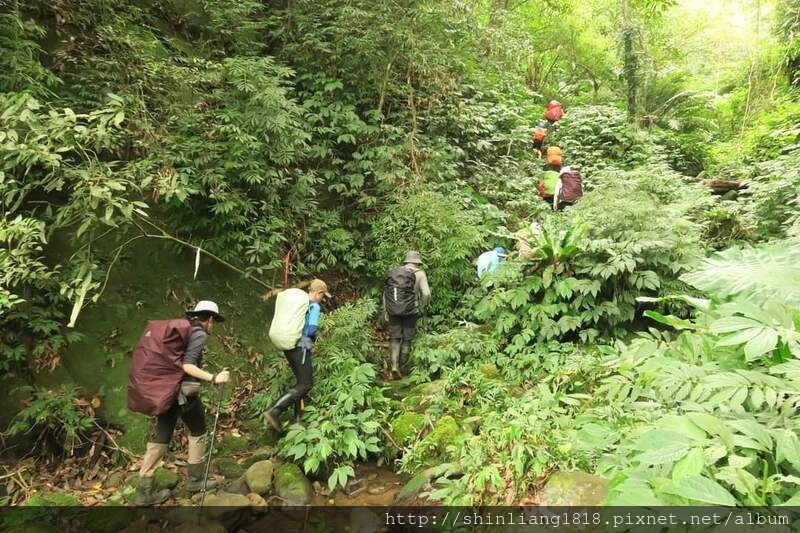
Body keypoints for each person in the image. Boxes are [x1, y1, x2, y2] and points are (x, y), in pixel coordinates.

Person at [132, 300, 230, 506]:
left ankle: (144, 490)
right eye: (214, 321)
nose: (213, 326)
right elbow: (187, 365)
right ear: (210, 319)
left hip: (166, 389)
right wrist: (214, 377)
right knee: (198, 429)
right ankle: (195, 480)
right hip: (183, 392)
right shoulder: (199, 333)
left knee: (162, 435)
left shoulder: (183, 331)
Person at [263, 279, 331, 434]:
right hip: (302, 347)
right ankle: (274, 410)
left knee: (301, 383)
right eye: (323, 295)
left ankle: (298, 420)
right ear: (318, 293)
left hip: (289, 346)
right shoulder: (313, 306)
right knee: (305, 384)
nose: (322, 299)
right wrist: (311, 339)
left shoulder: (298, 304)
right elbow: (312, 329)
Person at [384, 251, 431, 379]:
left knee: (395, 337)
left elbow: (386, 293)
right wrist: (425, 304)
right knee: (407, 338)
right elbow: (426, 293)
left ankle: (394, 366)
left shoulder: (395, 273)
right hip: (411, 310)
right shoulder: (420, 274)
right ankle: (404, 369)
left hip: (393, 309)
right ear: (418, 262)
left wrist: (386, 310)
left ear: (406, 261)